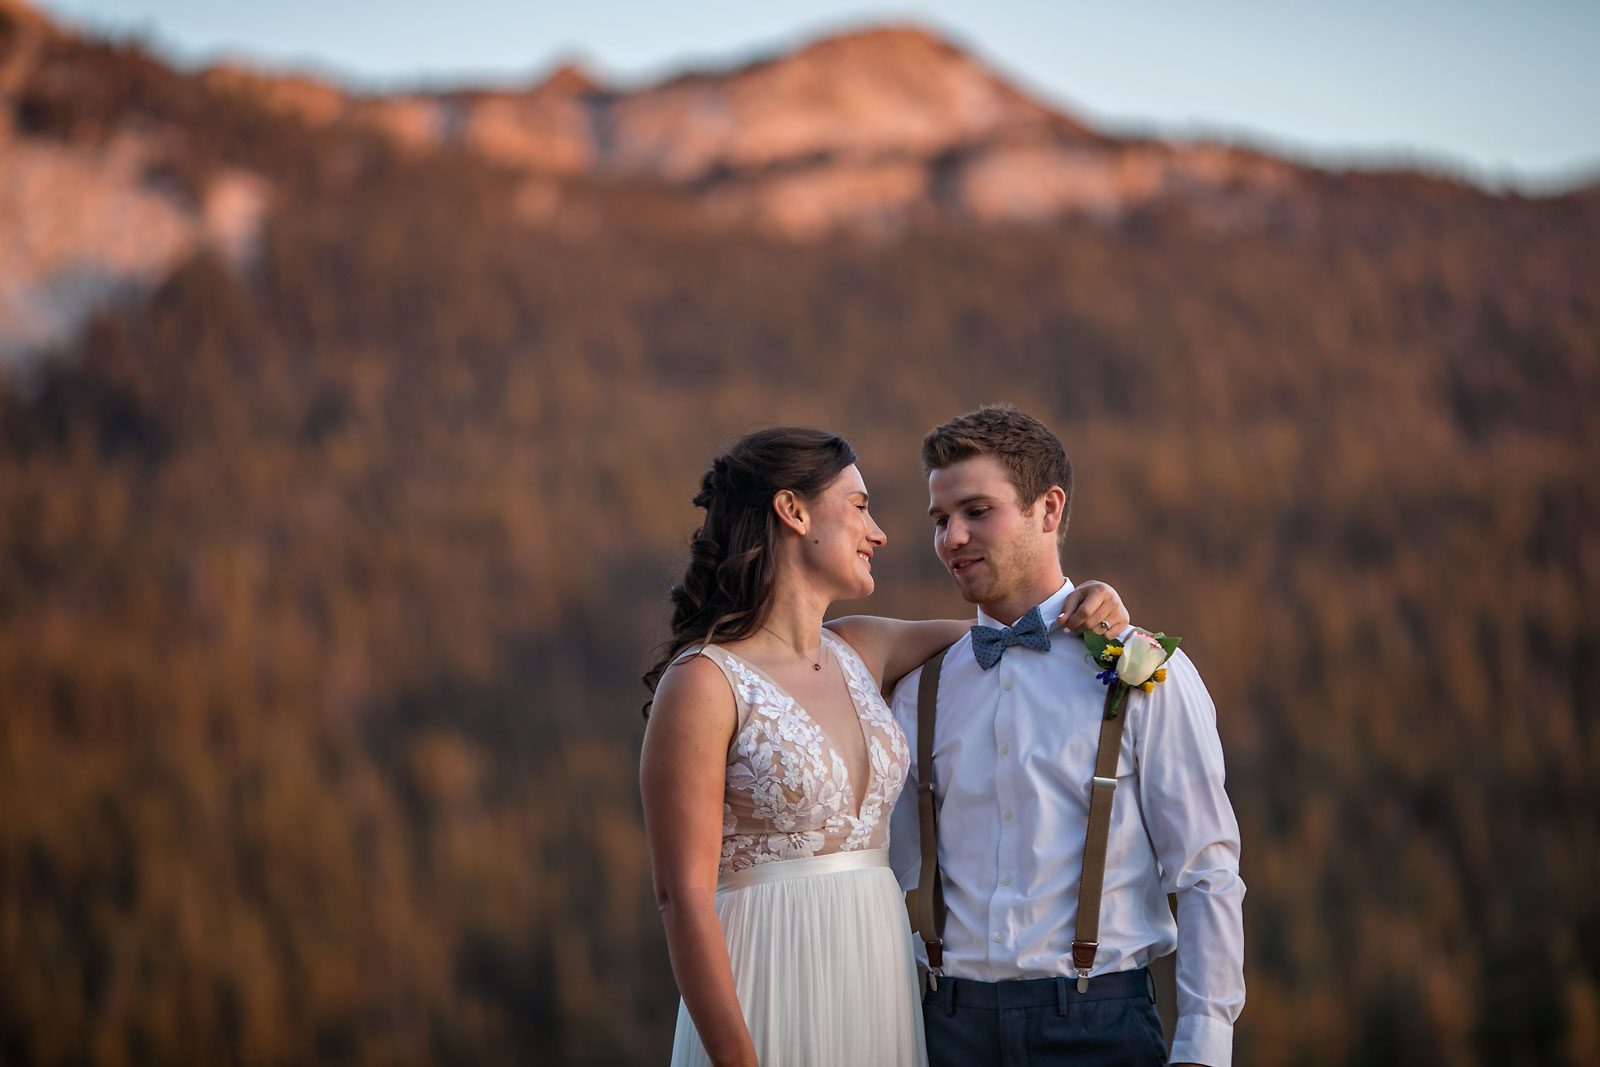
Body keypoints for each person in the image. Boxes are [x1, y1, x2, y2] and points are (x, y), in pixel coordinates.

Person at [640, 426, 1135, 1067]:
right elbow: (680, 896)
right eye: (859, 506)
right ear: (792, 512)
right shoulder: (704, 681)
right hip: (768, 979)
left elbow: (1009, 633)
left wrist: (1090, 603)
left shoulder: (863, 649)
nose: (878, 533)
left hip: (876, 985)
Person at [886, 404, 1246, 1067]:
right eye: (939, 519)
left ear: (1048, 509)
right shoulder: (919, 689)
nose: (952, 538)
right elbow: (884, 875)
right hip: (945, 1028)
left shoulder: (1144, 672)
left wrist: (1203, 1045)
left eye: (976, 511)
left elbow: (1206, 871)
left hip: (1099, 1025)